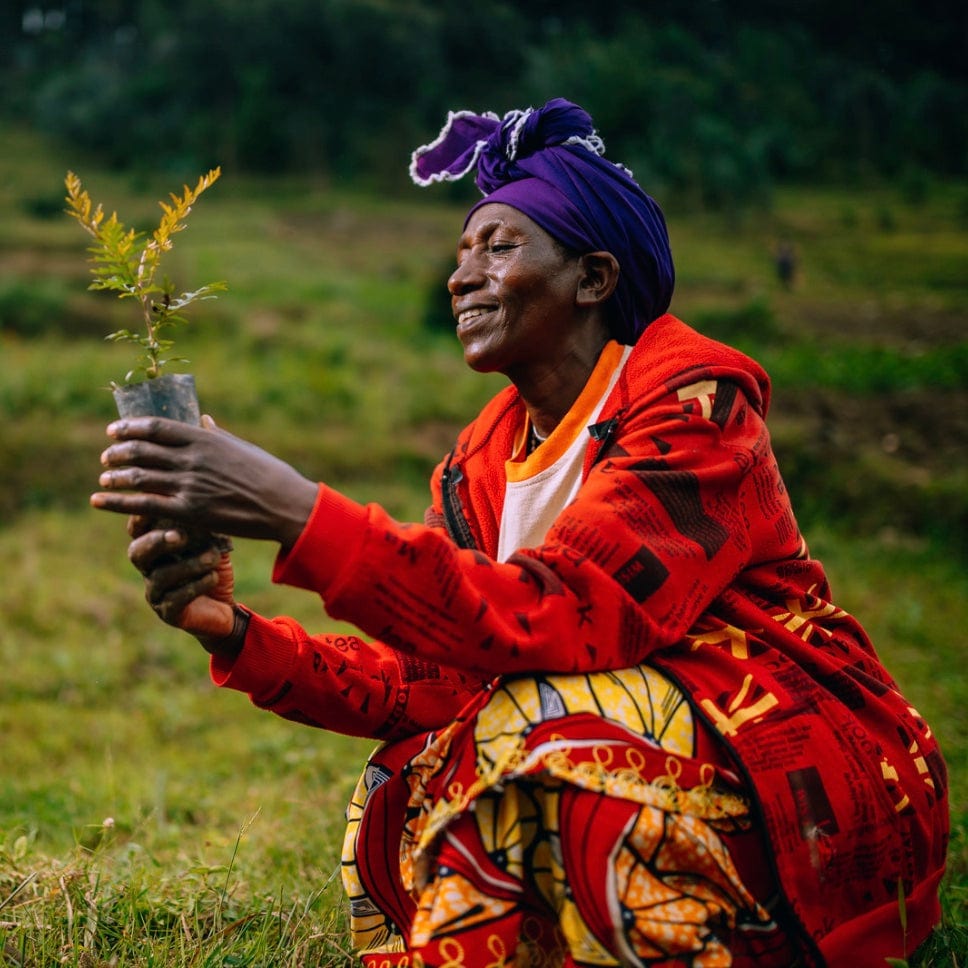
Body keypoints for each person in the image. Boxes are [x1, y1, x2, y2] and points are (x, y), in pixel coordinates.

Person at [91, 99, 948, 966]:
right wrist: (237, 635)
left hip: (794, 769)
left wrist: (294, 510)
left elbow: (564, 612)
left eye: (498, 248)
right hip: (640, 749)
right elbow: (434, 676)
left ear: (593, 278)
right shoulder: (481, 460)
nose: (460, 277)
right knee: (405, 772)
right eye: (462, 252)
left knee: (530, 726)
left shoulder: (696, 406)